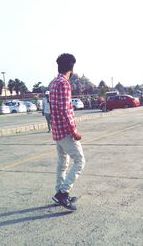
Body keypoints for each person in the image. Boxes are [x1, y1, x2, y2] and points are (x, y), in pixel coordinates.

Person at [49, 53, 86, 211]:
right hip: (65, 131)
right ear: (71, 67)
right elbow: (65, 110)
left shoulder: (52, 82)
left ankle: (59, 191)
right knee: (79, 161)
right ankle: (63, 194)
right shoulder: (64, 83)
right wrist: (74, 131)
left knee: (62, 163)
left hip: (57, 131)